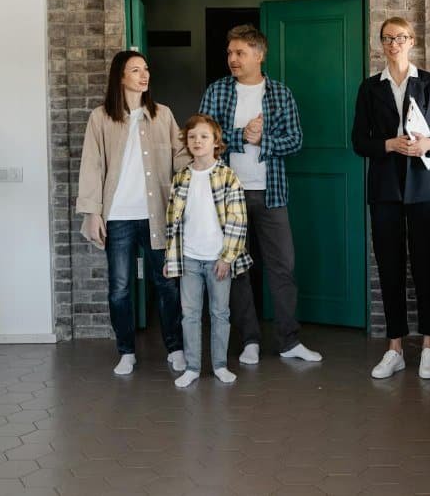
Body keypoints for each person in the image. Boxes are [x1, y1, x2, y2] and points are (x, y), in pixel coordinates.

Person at [199, 24, 322, 364]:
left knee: (283, 268)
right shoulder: (217, 91)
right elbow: (203, 138)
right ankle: (249, 341)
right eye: (230, 53)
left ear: (259, 55)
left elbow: (295, 140)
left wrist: (262, 139)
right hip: (228, 196)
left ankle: (289, 342)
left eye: (240, 53)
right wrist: (242, 135)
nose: (232, 59)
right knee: (237, 270)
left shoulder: (280, 93)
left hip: (271, 194)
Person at [350, 17, 430, 379]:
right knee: (389, 267)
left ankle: (428, 345)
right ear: (381, 44)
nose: (393, 44)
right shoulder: (369, 87)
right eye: (387, 38)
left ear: (412, 41)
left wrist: (428, 144)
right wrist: (388, 145)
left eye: (400, 38)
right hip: (384, 188)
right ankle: (394, 347)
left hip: (424, 188)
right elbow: (358, 141)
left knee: (426, 266)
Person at [77, 50, 189, 376]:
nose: (144, 75)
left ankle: (175, 348)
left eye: (146, 69)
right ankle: (126, 351)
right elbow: (91, 166)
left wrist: (205, 165)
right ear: (121, 76)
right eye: (136, 70)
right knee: (119, 289)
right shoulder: (101, 118)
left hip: (157, 215)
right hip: (118, 217)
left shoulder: (163, 115)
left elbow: (181, 156)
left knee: (167, 285)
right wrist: (93, 213)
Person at [164, 114, 252, 388]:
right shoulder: (181, 177)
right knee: (189, 314)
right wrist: (171, 257)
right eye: (192, 137)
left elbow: (238, 220)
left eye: (204, 136)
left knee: (219, 313)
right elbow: (173, 222)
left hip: (217, 259)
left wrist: (227, 258)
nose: (197, 141)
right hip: (189, 258)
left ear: (216, 142)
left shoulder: (227, 176)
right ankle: (192, 367)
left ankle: (220, 365)